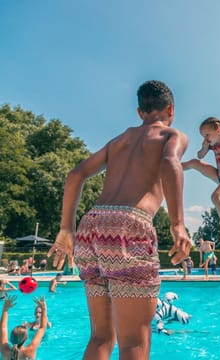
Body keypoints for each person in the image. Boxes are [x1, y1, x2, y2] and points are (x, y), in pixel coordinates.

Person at [47, 80, 191, 360]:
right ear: (171, 109)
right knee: (134, 343)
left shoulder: (119, 141)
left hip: (91, 225)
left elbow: (75, 174)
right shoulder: (171, 135)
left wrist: (67, 228)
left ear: (140, 112)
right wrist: (177, 224)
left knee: (101, 337)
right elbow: (169, 164)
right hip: (129, 225)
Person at [0, 295, 48, 360]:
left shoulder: (5, 351)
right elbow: (42, 328)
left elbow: (3, 328)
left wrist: (5, 308)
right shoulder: (30, 350)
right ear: (26, 338)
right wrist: (44, 308)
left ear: (10, 338)